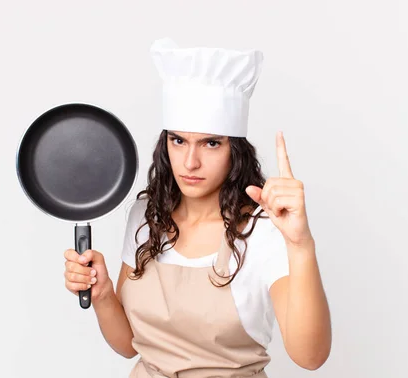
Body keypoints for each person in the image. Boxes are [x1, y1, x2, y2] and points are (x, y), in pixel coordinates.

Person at [63, 38, 332, 377]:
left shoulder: (264, 230)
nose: (190, 162)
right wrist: (102, 294)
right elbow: (131, 344)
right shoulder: (147, 216)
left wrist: (300, 244)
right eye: (178, 141)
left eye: (211, 143)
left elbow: (310, 357)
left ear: (234, 150)